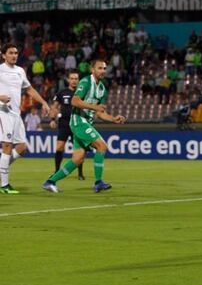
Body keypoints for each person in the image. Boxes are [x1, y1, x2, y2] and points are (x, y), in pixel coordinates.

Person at [43, 59, 126, 193]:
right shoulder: (86, 82)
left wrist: (113, 118)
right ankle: (98, 182)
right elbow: (75, 101)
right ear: (92, 70)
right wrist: (94, 106)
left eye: (104, 68)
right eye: (100, 68)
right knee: (102, 146)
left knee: (77, 159)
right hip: (78, 121)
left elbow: (100, 113)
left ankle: (50, 182)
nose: (103, 71)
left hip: (86, 122)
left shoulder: (102, 88)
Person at [0, 43, 51, 194]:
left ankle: (1, 167)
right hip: (3, 112)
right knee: (7, 146)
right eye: (11, 53)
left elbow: (29, 89)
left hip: (16, 113)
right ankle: (4, 185)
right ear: (3, 55)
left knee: (22, 148)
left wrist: (43, 102)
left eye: (16, 53)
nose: (14, 55)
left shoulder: (20, 71)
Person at [49, 70, 85, 180]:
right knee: (59, 147)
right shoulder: (61, 92)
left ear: (79, 81)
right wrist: (52, 119)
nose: (74, 81)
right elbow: (54, 107)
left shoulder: (83, 93)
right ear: (69, 80)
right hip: (64, 123)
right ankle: (56, 171)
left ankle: (80, 173)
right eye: (72, 79)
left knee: (78, 150)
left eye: (76, 79)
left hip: (77, 123)